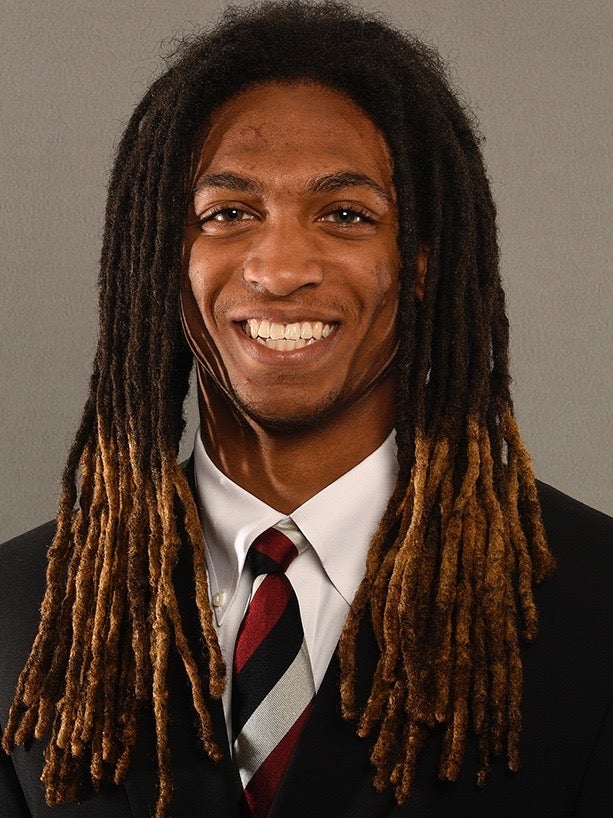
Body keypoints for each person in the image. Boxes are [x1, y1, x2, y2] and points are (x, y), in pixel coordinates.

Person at [1, 2, 610, 816]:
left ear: (421, 261)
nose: (280, 269)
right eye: (227, 214)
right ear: (161, 258)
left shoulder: (596, 604)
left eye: (345, 215)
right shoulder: (16, 615)